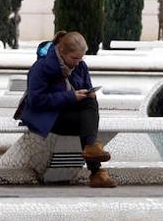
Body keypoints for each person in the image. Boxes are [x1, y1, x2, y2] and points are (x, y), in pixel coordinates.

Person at [17, 30, 115, 188]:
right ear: (62, 52)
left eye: (81, 58)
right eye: (74, 58)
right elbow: (36, 101)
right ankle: (96, 171)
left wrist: (88, 94)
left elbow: (86, 88)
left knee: (90, 104)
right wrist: (70, 97)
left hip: (69, 113)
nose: (77, 63)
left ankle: (92, 151)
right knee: (87, 125)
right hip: (47, 117)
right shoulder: (41, 68)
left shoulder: (80, 66)